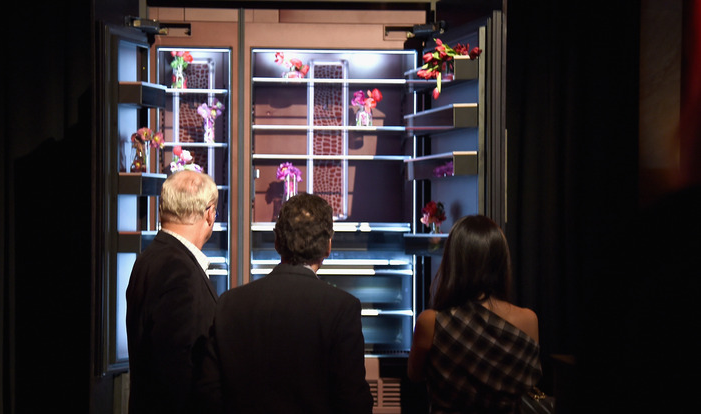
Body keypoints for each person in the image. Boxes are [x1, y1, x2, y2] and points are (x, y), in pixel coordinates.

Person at [197, 193, 373, 414]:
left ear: (277, 242)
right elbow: (352, 401)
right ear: (328, 246)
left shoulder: (229, 304)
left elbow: (209, 393)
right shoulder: (341, 308)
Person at [407, 214, 542, 413]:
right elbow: (529, 384)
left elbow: (414, 375)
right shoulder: (529, 320)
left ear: (453, 262)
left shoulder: (431, 322)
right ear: (501, 262)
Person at [126, 170, 220, 413]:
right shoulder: (180, 272)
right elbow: (179, 373)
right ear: (209, 213)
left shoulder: (149, 258)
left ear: (161, 210)